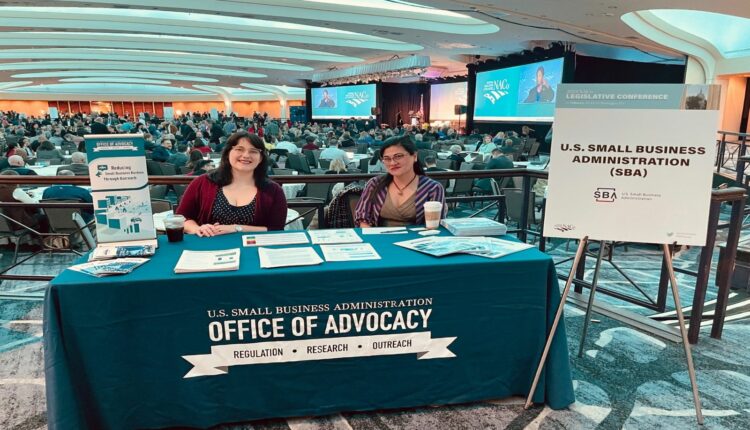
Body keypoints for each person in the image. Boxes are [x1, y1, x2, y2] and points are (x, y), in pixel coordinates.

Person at [176, 130, 287, 236]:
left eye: (253, 151)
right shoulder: (202, 183)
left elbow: (276, 229)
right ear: (228, 153)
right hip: (208, 245)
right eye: (239, 149)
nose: (246, 155)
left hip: (254, 247)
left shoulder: (273, 190)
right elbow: (182, 218)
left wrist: (236, 228)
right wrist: (197, 229)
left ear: (261, 158)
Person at [355, 135, 446, 227]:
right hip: (378, 235)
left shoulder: (432, 188)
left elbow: (437, 224)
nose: (392, 163)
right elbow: (362, 217)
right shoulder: (375, 184)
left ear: (414, 156)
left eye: (398, 156)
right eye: (387, 158)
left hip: (418, 236)